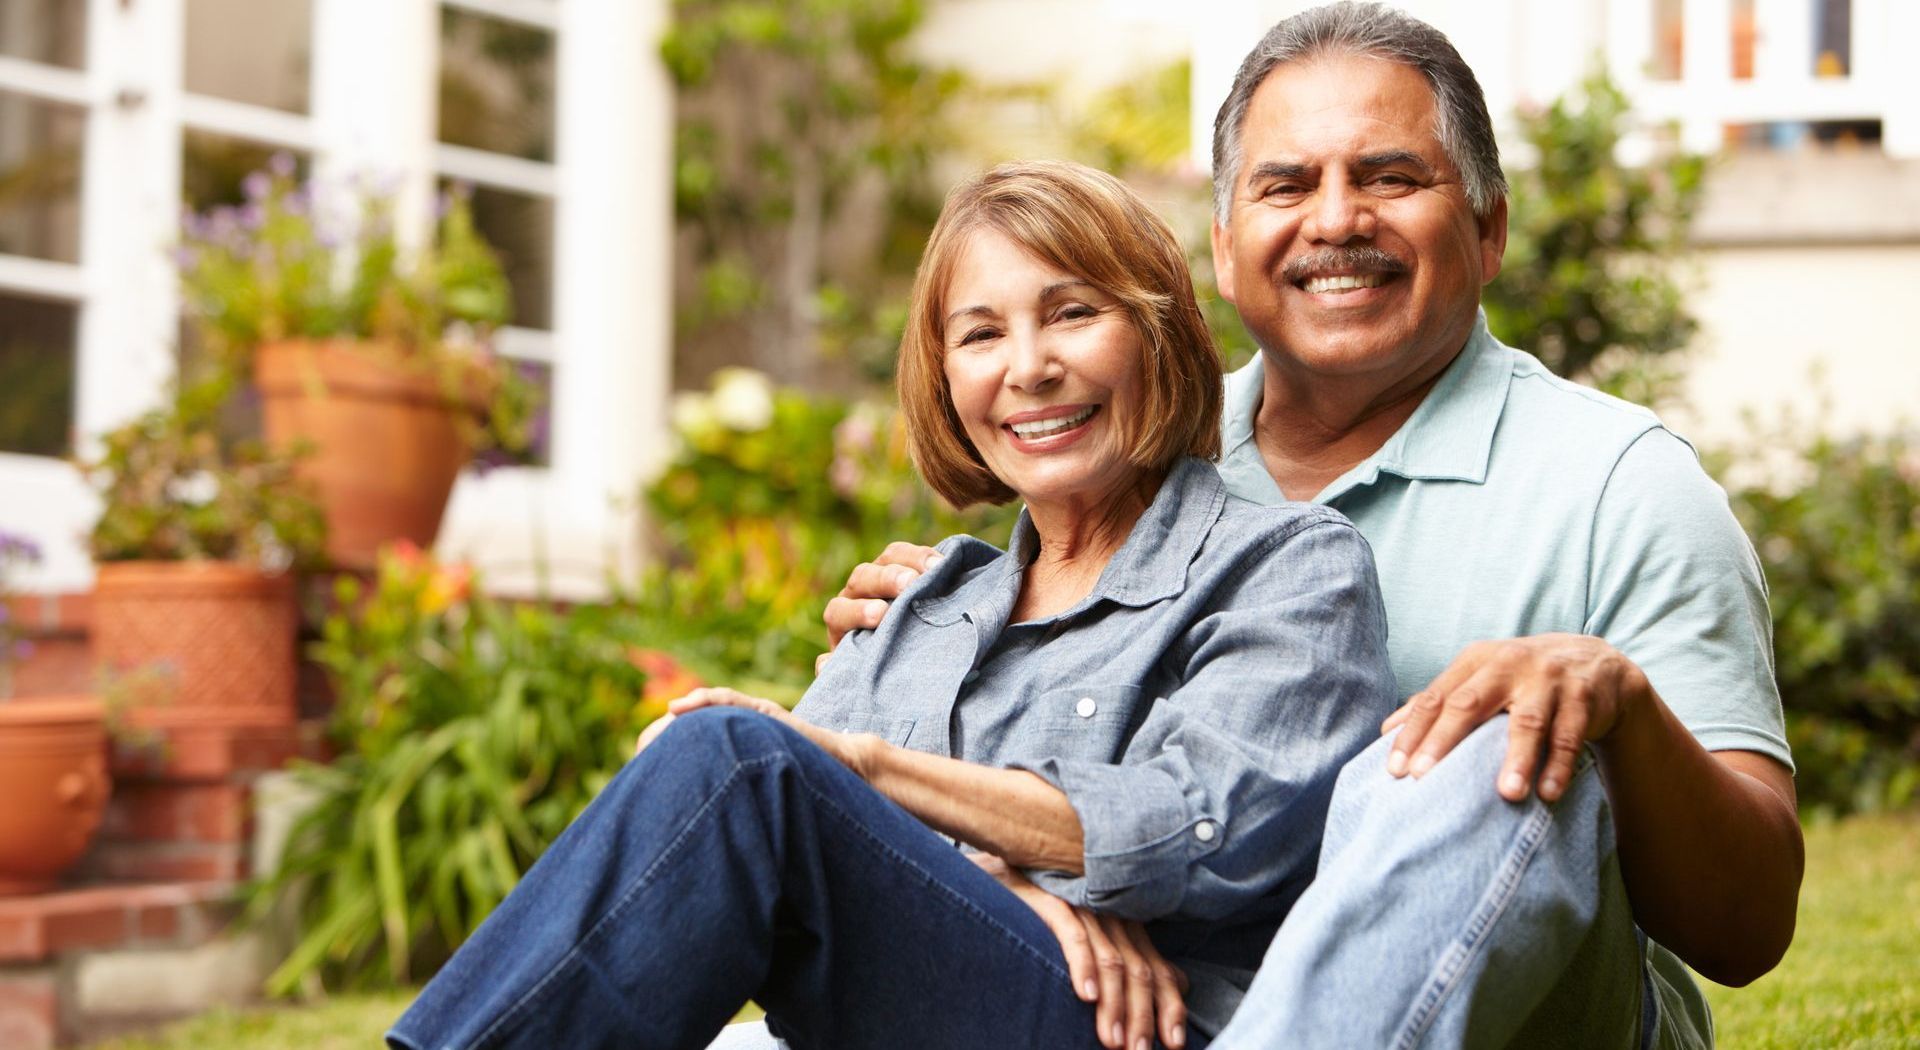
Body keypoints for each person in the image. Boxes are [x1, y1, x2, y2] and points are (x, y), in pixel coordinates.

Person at [824, 5, 1803, 1047]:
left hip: (1525, 1022)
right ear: (1226, 243)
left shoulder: (1621, 484)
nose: (1335, 221)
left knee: (1479, 737)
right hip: (1165, 1018)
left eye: (1390, 177)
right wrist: (932, 660)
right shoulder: (1124, 460)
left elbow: (1746, 928)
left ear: (1488, 228)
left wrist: (1622, 710)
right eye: (1285, 185)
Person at [388, 160, 1397, 1050]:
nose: (1028, 367)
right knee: (711, 754)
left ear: (1159, 333)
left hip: (1132, 1022)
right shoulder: (927, 602)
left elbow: (1197, 826)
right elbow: (777, 845)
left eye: (1075, 312)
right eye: (981, 334)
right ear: (946, 376)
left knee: (737, 755)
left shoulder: (1292, 566)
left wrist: (875, 771)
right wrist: (999, 885)